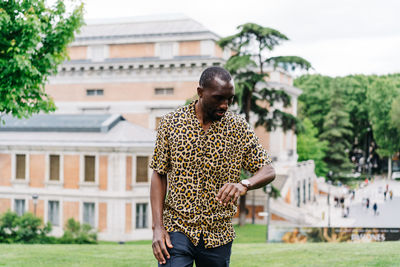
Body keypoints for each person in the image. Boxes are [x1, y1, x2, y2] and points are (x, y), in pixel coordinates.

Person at [150, 67, 275, 266]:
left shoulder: (238, 128)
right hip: (177, 229)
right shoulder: (171, 124)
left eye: (230, 99)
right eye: (218, 98)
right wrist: (158, 227)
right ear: (200, 92)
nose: (225, 105)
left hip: (218, 235)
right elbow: (159, 174)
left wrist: (244, 184)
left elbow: (267, 169)